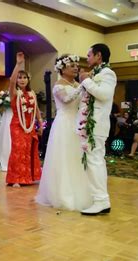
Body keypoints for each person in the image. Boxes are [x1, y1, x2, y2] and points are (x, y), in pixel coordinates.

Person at [35, 54, 91, 211]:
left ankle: (79, 190)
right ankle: (62, 194)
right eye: (71, 65)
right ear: (62, 68)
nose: (75, 68)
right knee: (64, 157)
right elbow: (67, 100)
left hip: (77, 122)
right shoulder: (58, 85)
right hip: (64, 124)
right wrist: (83, 85)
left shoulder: (76, 83)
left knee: (76, 157)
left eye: (76, 65)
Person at [78, 43, 116, 215]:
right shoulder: (96, 73)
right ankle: (99, 199)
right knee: (94, 161)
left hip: (97, 124)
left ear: (98, 55)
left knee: (95, 162)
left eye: (89, 55)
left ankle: (101, 200)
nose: (87, 58)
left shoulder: (108, 73)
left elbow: (104, 94)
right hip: (90, 123)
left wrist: (86, 80)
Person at [5, 52, 43, 187]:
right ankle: (15, 178)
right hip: (17, 125)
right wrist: (19, 64)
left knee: (27, 150)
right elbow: (11, 81)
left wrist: (40, 122)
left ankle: (27, 177)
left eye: (24, 77)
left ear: (28, 79)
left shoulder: (32, 94)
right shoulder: (15, 92)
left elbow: (36, 109)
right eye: (20, 77)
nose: (21, 80)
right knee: (18, 149)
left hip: (30, 125)